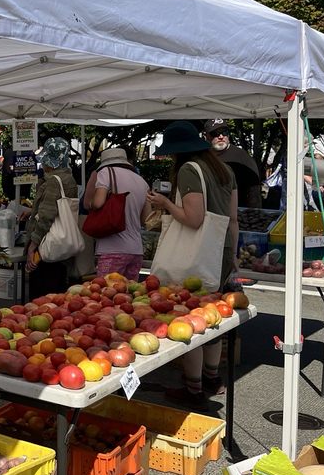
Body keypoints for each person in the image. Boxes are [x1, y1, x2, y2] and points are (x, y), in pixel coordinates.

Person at [146, 121, 239, 409]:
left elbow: (194, 218)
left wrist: (164, 203)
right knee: (213, 319)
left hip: (196, 258)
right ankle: (212, 378)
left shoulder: (189, 171)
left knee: (192, 320)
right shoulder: (225, 170)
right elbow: (233, 219)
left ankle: (194, 388)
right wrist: (232, 255)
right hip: (219, 252)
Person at [83, 148, 151, 281]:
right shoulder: (141, 181)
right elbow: (146, 219)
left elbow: (98, 203)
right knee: (130, 296)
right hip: (136, 251)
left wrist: (89, 204)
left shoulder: (106, 172)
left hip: (112, 249)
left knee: (106, 296)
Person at [25, 138, 78, 297]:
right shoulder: (69, 179)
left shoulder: (54, 182)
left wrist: (32, 246)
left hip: (48, 246)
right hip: (63, 247)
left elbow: (46, 216)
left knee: (42, 296)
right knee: (58, 295)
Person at [204, 119, 263, 208]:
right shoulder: (201, 157)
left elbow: (254, 190)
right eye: (215, 133)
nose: (221, 136)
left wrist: (253, 213)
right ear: (206, 136)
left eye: (224, 132)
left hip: (237, 212)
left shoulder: (242, 157)